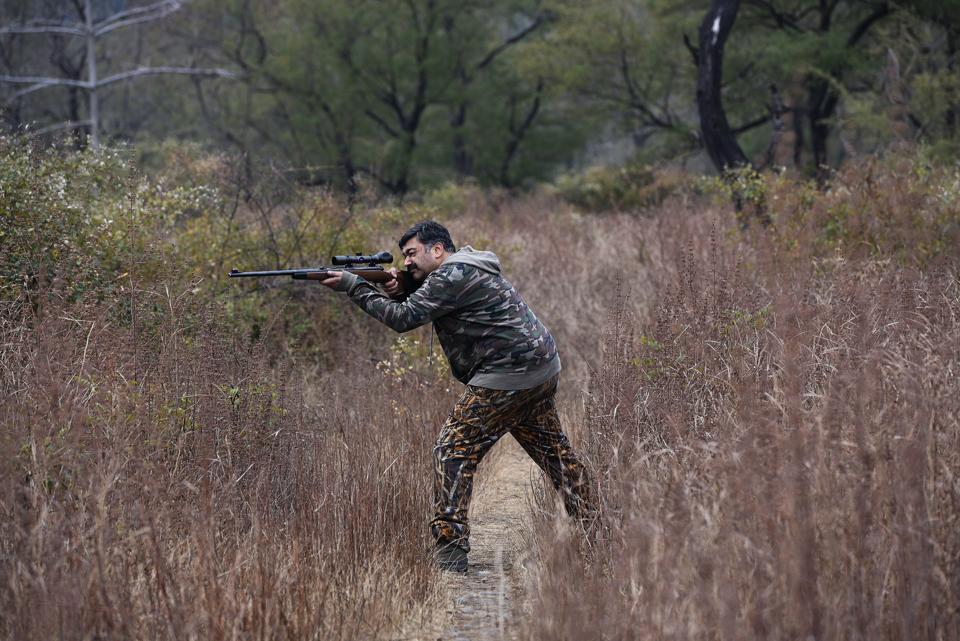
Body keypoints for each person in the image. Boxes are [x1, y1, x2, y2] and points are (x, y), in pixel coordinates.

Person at [318, 220, 591, 572]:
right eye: (403, 258)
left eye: (412, 254)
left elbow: (404, 319)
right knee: (555, 453)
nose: (407, 263)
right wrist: (393, 286)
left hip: (507, 375)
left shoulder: (451, 275)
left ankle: (450, 552)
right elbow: (422, 302)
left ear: (437, 250)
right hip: (540, 369)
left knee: (453, 449)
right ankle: (601, 525)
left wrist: (356, 286)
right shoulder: (464, 268)